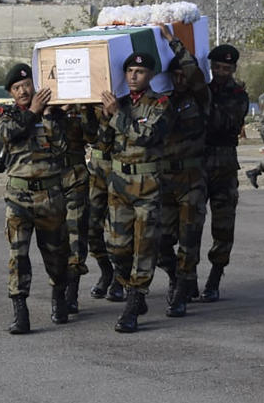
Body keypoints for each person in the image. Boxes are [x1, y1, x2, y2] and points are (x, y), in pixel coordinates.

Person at [0, 63, 70, 335]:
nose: (23, 91)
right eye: (17, 88)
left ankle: (59, 294)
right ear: (12, 93)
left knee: (56, 253)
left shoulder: (54, 113)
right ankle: (20, 311)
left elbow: (62, 147)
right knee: (18, 255)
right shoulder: (6, 114)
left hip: (50, 195)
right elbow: (7, 133)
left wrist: (50, 115)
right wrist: (34, 112)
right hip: (18, 196)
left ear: (34, 85)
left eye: (26, 85)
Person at [101, 52, 172, 333]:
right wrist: (103, 115)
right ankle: (130, 285)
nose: (133, 76)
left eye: (139, 72)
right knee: (116, 247)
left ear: (150, 75)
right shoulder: (116, 104)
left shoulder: (160, 105)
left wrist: (116, 116)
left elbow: (147, 136)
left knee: (144, 246)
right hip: (118, 185)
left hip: (147, 186)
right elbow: (104, 141)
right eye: (129, 70)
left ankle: (134, 302)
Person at [156, 26, 209, 317]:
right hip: (163, 180)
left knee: (189, 238)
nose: (179, 79)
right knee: (160, 240)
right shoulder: (159, 102)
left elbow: (195, 74)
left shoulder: (200, 97)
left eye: (182, 75)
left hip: (191, 180)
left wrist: (173, 42)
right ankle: (178, 277)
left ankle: (180, 293)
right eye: (173, 75)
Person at [201, 43, 249, 302]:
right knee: (189, 226)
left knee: (223, 225)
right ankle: (184, 278)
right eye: (217, 67)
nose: (221, 72)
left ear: (233, 69)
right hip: (197, 164)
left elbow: (222, 123)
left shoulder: (239, 95)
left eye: (226, 68)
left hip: (225, 164)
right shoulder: (202, 91)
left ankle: (215, 277)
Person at [80, 103, 121, 301]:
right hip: (97, 169)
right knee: (91, 227)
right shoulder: (90, 101)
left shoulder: (126, 96)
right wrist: (86, 108)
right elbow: (89, 136)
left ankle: (121, 279)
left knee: (119, 231)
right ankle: (107, 271)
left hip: (121, 167)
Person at [60, 104, 90, 314]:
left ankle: (71, 292)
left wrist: (86, 111)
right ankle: (58, 291)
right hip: (47, 178)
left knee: (76, 235)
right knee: (53, 239)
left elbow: (95, 137)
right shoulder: (41, 104)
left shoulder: (83, 104)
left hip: (75, 175)